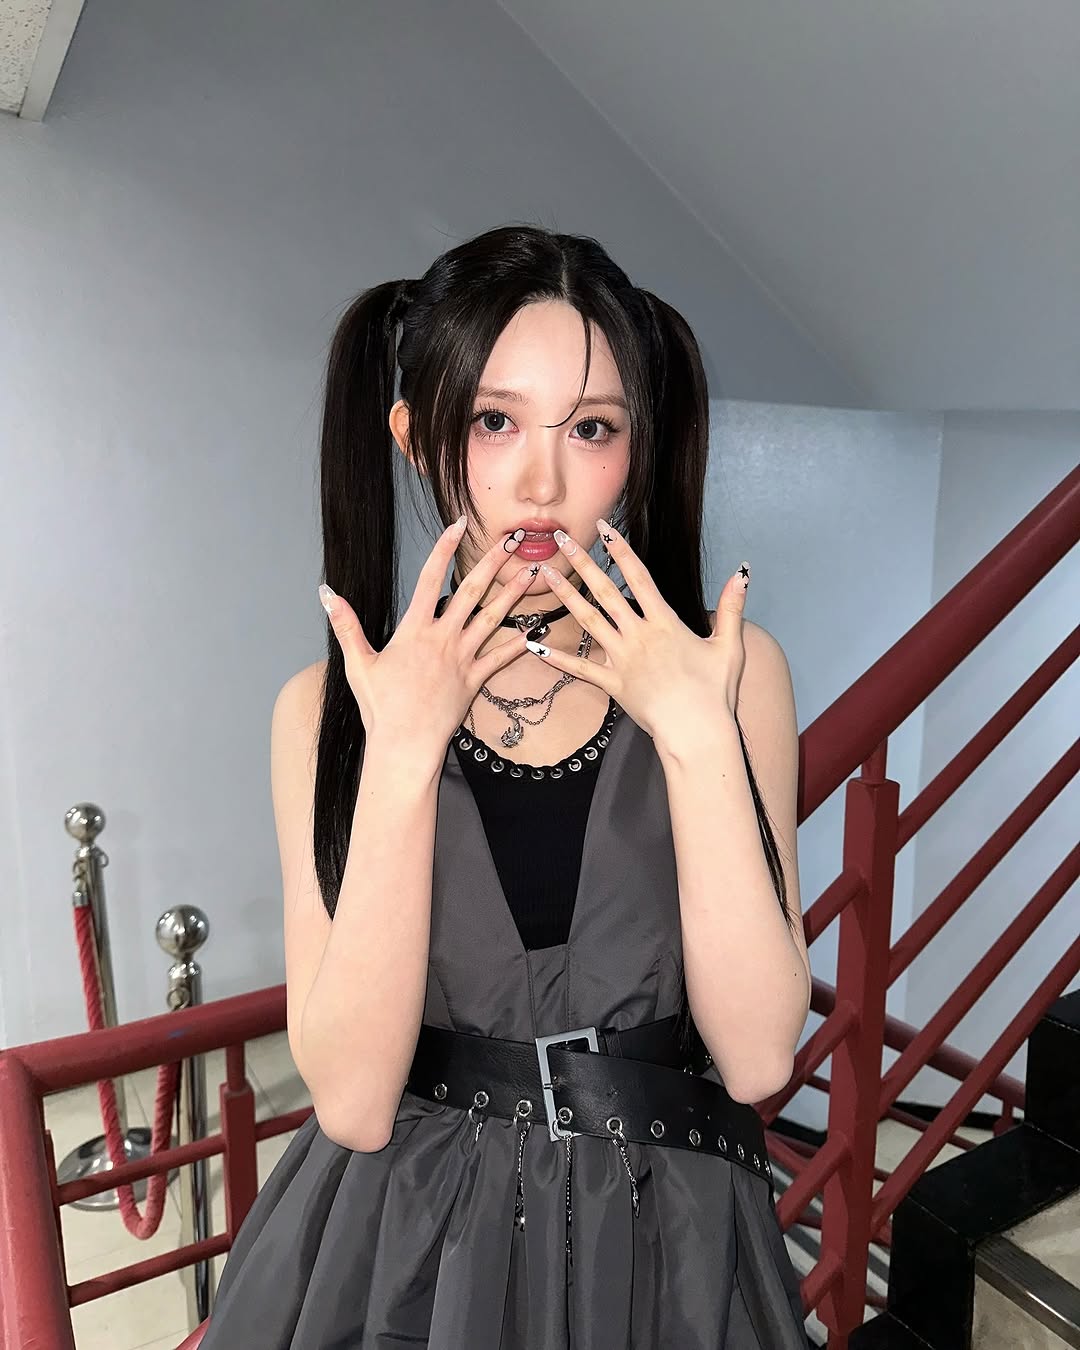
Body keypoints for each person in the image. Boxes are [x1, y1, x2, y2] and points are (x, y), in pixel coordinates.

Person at [200, 223, 813, 1348]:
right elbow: (353, 1100)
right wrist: (402, 752)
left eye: (591, 429)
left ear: (638, 447)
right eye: (494, 422)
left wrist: (691, 732)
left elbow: (760, 1056)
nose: (541, 482)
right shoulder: (324, 710)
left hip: (664, 1241)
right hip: (407, 1250)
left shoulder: (732, 674)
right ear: (414, 438)